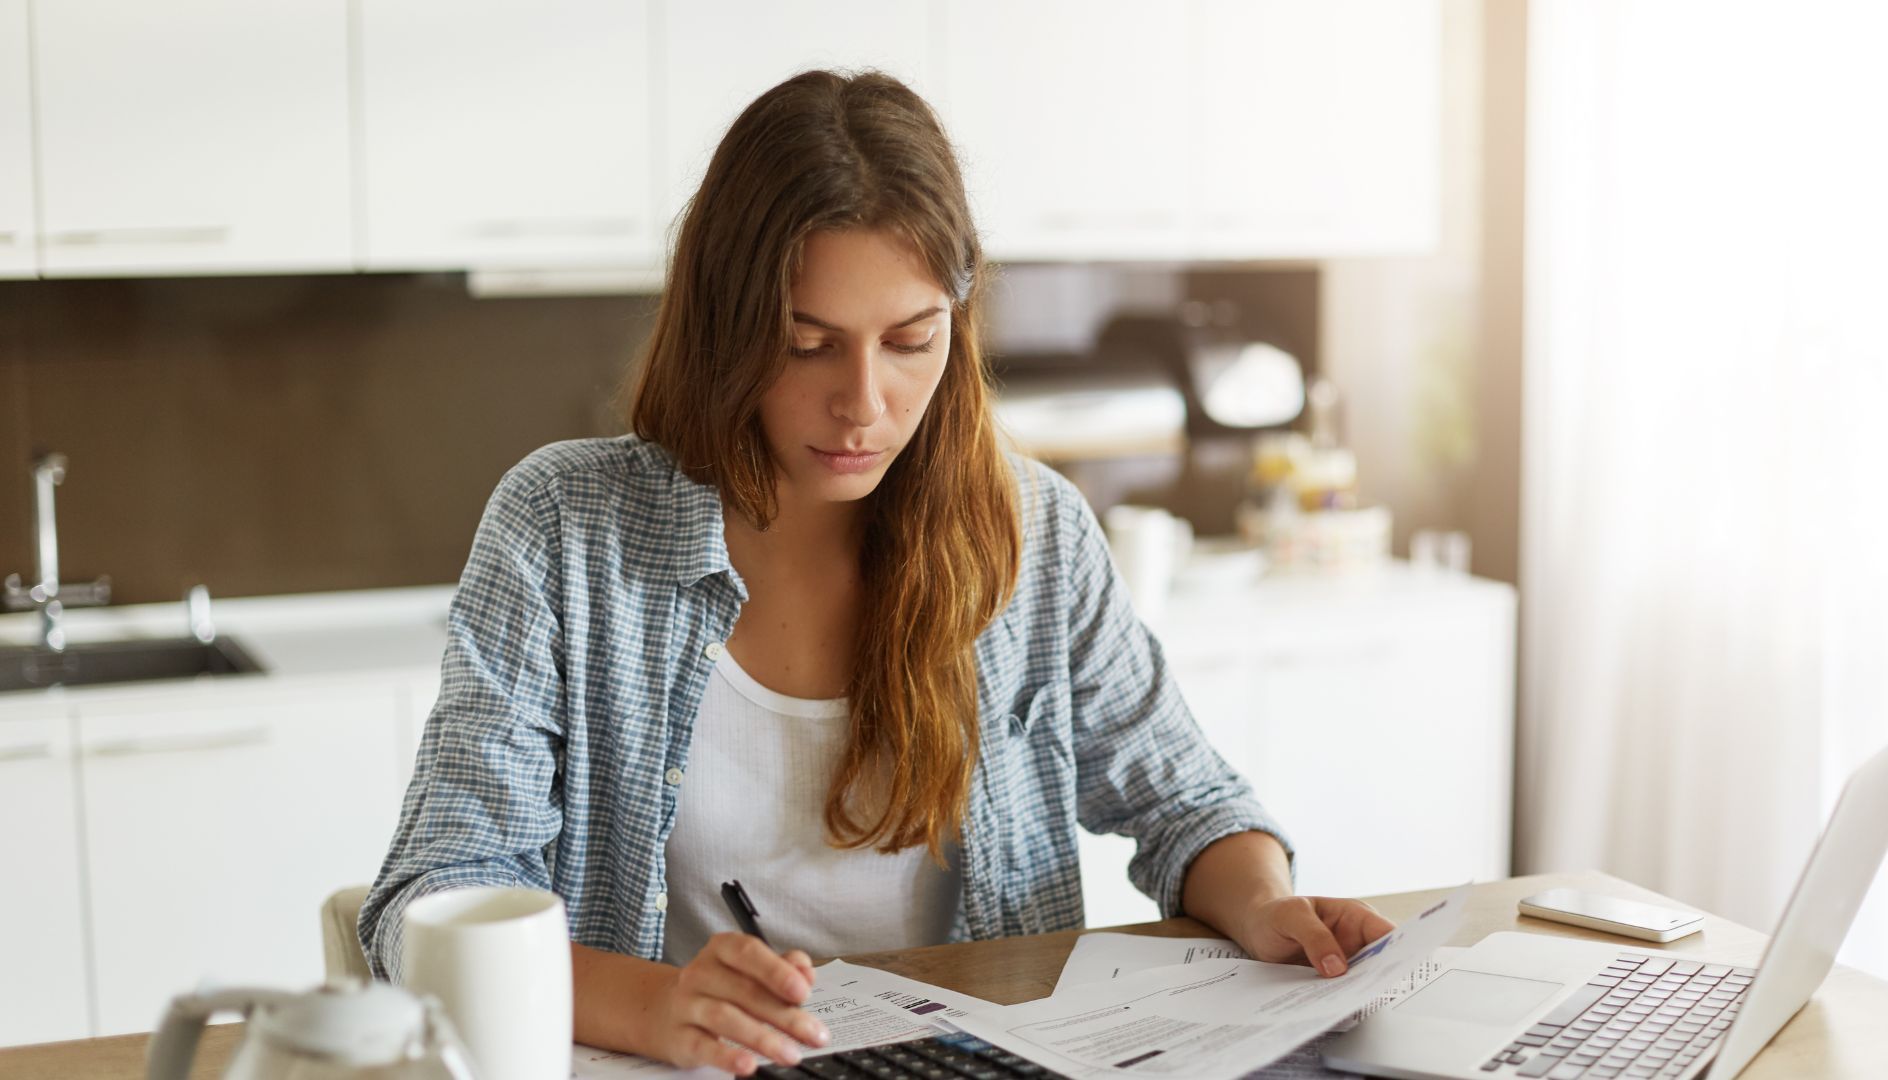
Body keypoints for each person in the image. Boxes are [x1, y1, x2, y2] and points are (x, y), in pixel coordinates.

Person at [359, 69, 1393, 1076]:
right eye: (808, 345)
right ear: (726, 328)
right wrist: (657, 1004)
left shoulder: (1034, 536)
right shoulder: (561, 530)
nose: (863, 403)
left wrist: (1263, 902)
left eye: (909, 341)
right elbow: (429, 900)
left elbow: (1189, 805)